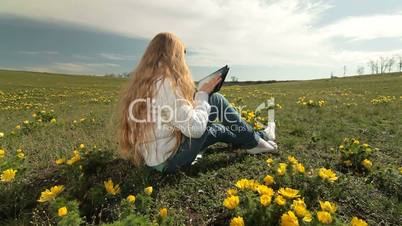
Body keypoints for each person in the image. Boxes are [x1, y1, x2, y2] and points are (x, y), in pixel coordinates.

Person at [118, 32, 277, 173]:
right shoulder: (166, 83)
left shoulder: (148, 81)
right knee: (215, 99)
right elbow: (195, 130)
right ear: (174, 56)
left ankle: (261, 136)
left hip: (154, 159)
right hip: (170, 162)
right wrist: (202, 94)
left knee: (218, 129)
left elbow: (172, 112)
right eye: (182, 54)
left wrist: (195, 98)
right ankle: (254, 144)